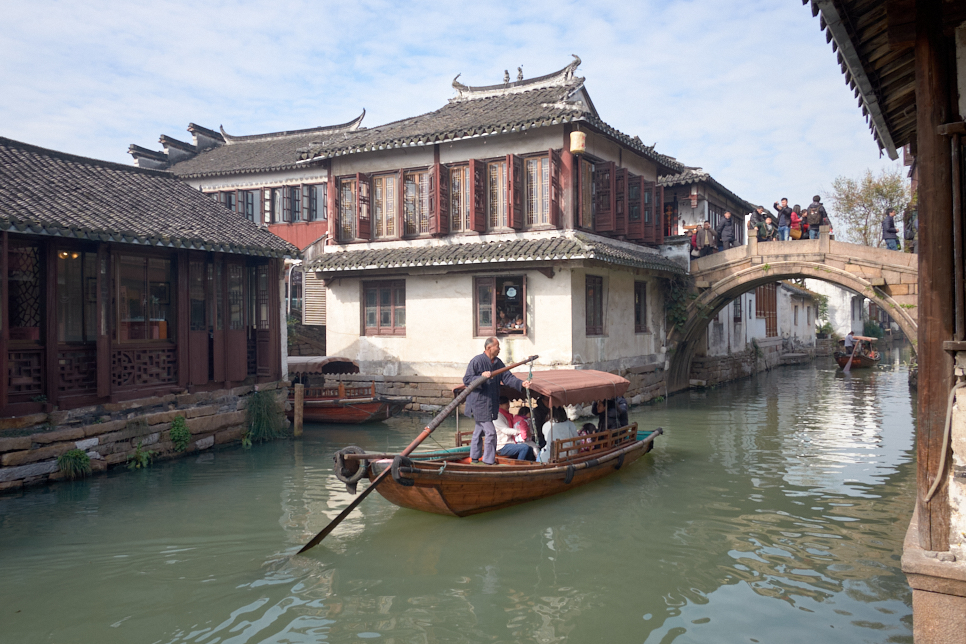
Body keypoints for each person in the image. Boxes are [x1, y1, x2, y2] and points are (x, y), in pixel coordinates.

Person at [463, 337, 531, 465]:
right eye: (497, 346)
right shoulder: (477, 361)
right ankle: (488, 460)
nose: (499, 349)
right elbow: (467, 379)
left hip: (491, 403)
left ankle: (475, 457)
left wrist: (521, 383)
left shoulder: (498, 363)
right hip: (479, 403)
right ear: (489, 348)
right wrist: (481, 377)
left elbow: (508, 377)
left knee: (479, 430)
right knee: (490, 432)